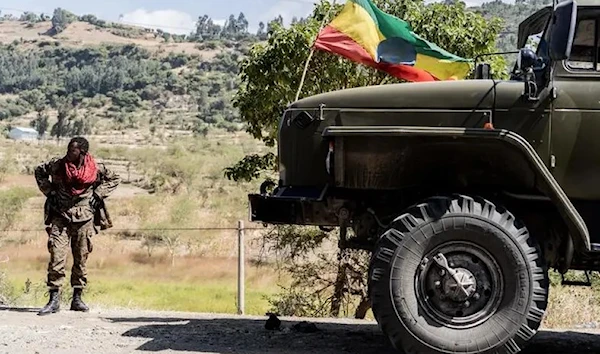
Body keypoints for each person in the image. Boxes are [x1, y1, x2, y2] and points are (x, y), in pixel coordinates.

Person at [34, 137, 121, 316]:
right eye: (68, 148)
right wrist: (49, 191)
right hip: (60, 216)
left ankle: (77, 298)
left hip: (84, 218)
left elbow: (114, 178)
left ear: (82, 152)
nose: (68, 152)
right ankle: (54, 299)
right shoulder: (57, 165)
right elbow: (39, 172)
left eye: (72, 150)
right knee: (56, 256)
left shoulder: (95, 168)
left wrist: (99, 193)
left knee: (81, 258)